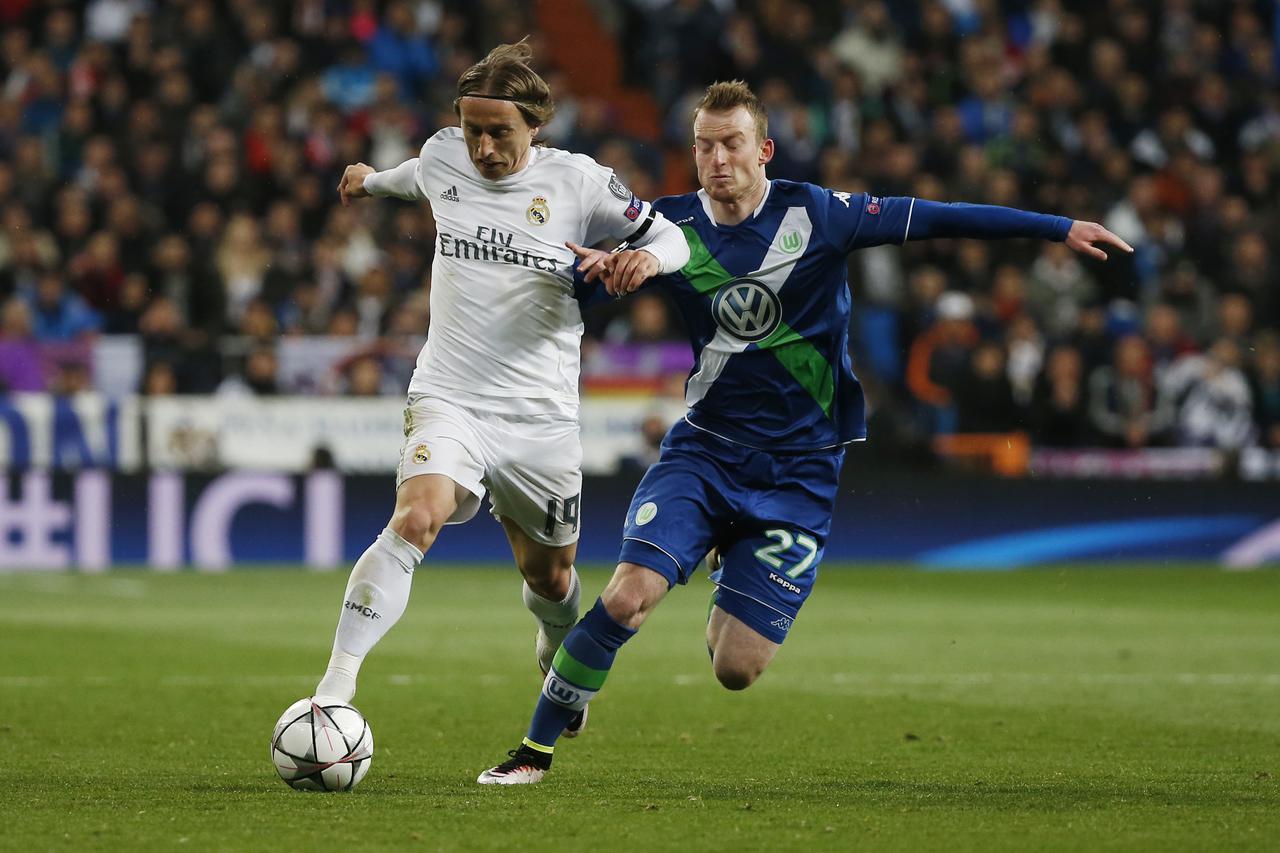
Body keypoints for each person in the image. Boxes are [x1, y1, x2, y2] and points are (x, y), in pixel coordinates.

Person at [477, 80, 1130, 784]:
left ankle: (728, 557)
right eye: (703, 146)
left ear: (764, 150)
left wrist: (1056, 227)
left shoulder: (819, 214)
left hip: (801, 468)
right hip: (705, 451)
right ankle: (534, 751)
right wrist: (594, 275)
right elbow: (577, 289)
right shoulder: (667, 228)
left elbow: (938, 218)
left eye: (731, 144)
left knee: (736, 667)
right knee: (628, 595)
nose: (717, 160)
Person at [311, 42, 690, 743]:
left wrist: (643, 258)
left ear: (535, 126)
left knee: (551, 578)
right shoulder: (444, 155)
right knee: (415, 518)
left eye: (499, 133)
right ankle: (333, 691)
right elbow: (414, 176)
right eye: (472, 130)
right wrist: (369, 181)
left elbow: (673, 237)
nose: (482, 147)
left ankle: (554, 643)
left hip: (539, 416)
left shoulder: (580, 183)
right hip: (449, 392)